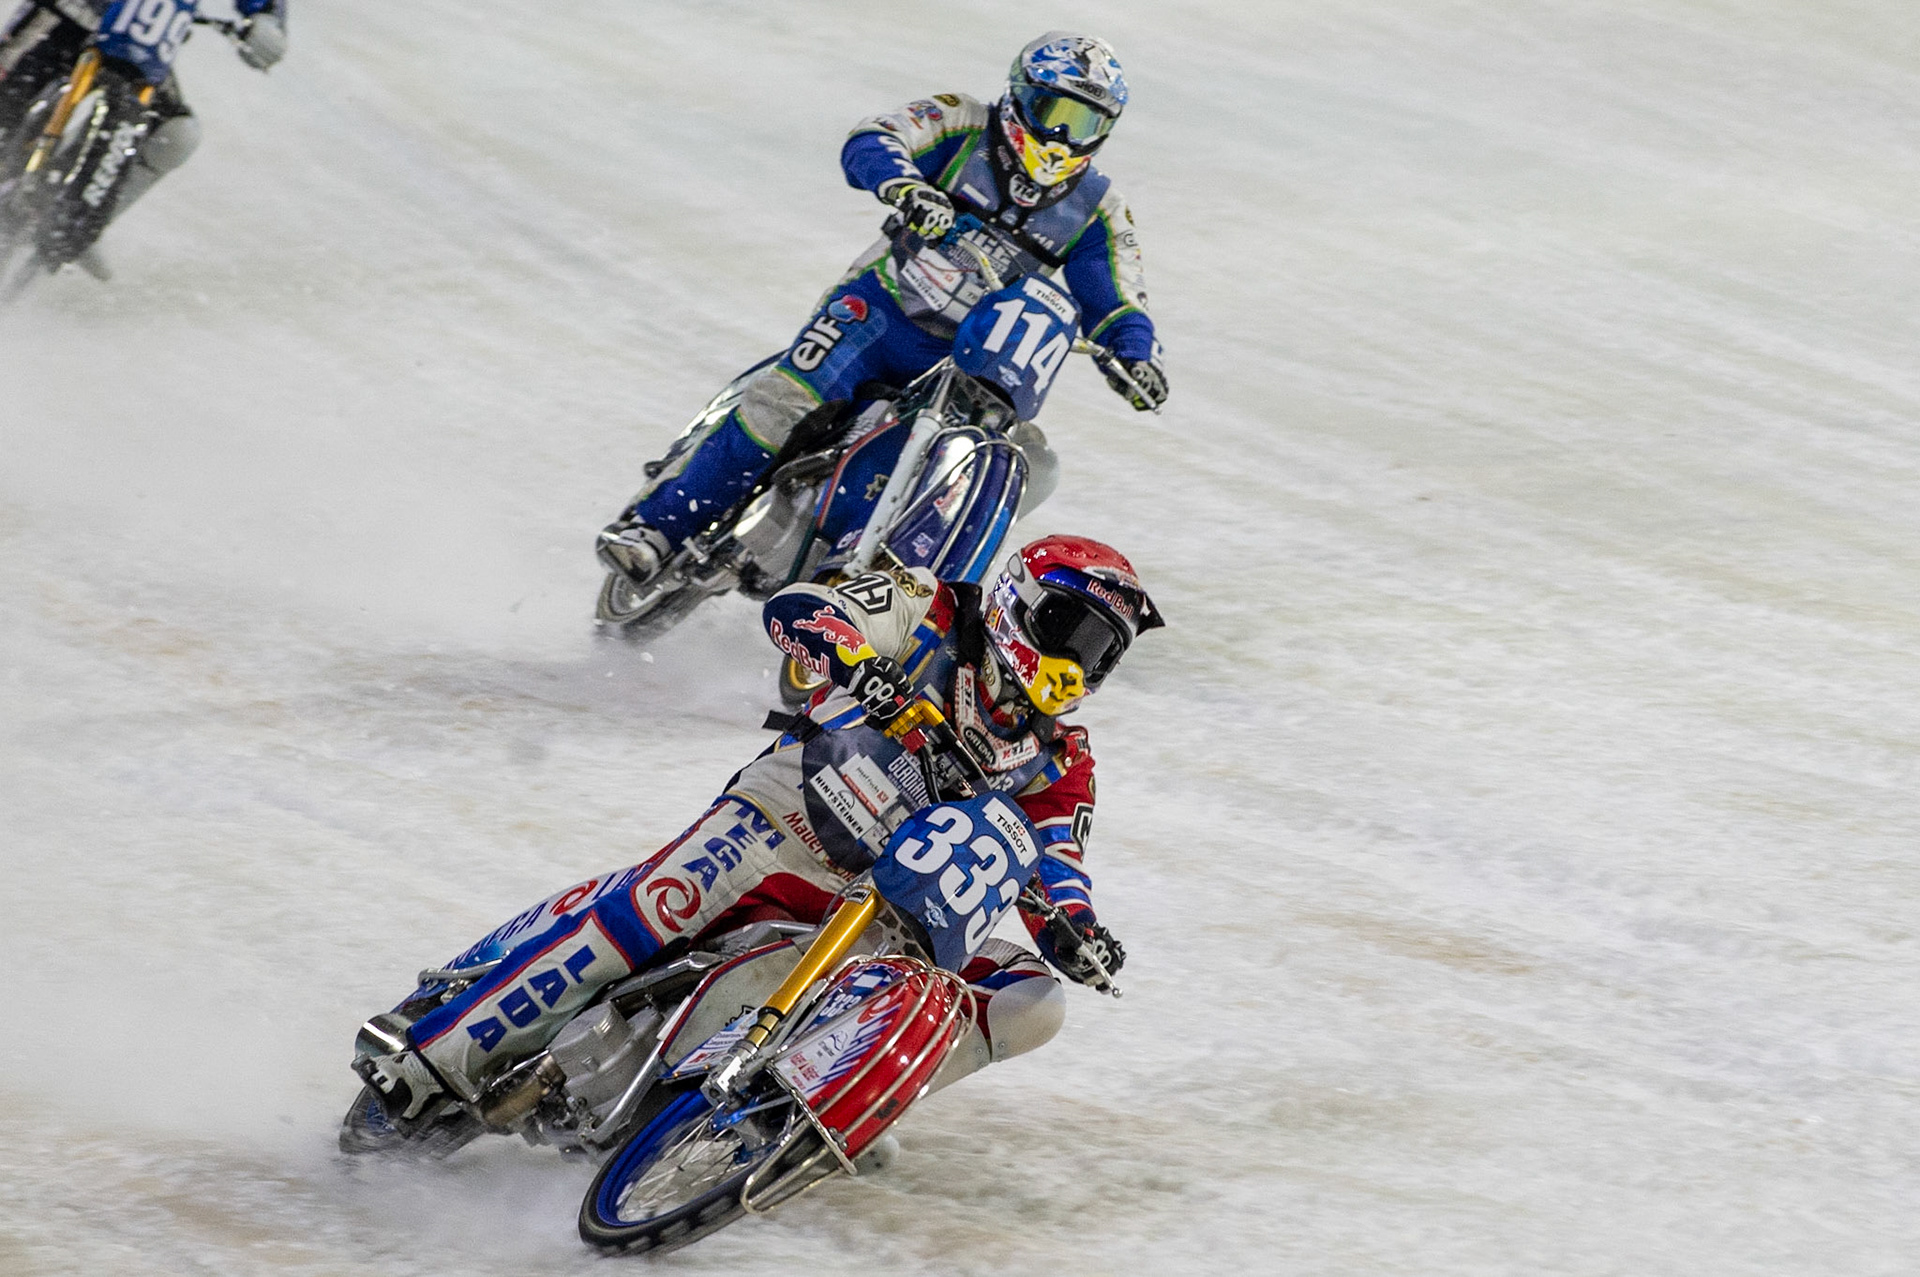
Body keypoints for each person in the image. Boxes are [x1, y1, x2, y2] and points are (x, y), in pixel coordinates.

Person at [357, 534, 1162, 1136]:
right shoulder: (932, 605)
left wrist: (1078, 929)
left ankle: (820, 1103)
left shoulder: (1064, 759)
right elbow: (804, 608)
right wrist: (856, 662)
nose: (1077, 662)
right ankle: (435, 1058)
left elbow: (1059, 863)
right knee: (659, 904)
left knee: (1034, 1002)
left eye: (1100, 653)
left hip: (894, 915)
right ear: (1021, 599)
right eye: (1070, 629)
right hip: (789, 820)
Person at [597, 32, 1166, 586]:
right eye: (1054, 110)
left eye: (1086, 123)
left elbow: (1117, 296)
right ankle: (657, 529)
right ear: (1020, 95)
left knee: (1003, 464)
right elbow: (873, 139)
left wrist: (1135, 356)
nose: (1064, 136)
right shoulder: (960, 121)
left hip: (974, 357)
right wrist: (907, 188)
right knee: (786, 400)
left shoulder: (1099, 210)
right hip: (880, 311)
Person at [0, 0, 287, 277]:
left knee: (173, 133)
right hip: (68, 15)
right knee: (8, 106)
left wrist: (265, 14)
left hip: (140, 36)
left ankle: (86, 209)